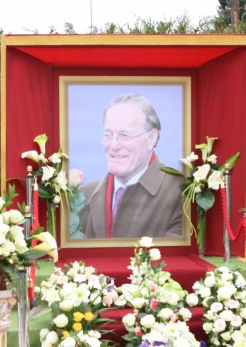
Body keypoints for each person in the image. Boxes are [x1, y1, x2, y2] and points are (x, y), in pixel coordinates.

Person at [77, 94, 184, 239]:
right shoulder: (82, 194)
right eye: (108, 135)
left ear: (151, 138)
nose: (113, 145)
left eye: (124, 135)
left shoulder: (182, 191)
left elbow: (176, 258)